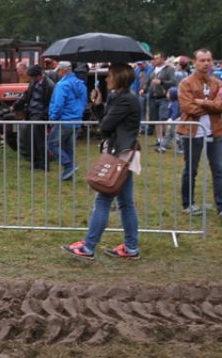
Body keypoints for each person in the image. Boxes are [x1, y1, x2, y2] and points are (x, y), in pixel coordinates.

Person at [62, 63, 141, 260]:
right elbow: (106, 122)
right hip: (124, 153)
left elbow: (105, 126)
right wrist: (98, 104)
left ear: (119, 78)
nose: (106, 79)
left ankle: (88, 247)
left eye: (110, 76)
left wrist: (102, 108)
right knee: (125, 203)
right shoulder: (122, 98)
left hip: (120, 154)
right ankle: (131, 248)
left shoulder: (125, 100)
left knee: (103, 200)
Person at [177, 49, 222, 221]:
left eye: (209, 60)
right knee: (191, 169)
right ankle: (188, 204)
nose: (206, 63)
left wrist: (204, 102)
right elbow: (188, 108)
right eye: (202, 60)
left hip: (215, 131)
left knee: (219, 169)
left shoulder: (217, 83)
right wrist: (214, 105)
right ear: (194, 63)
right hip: (192, 132)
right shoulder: (186, 84)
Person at [48, 60, 88, 181]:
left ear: (64, 70)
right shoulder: (81, 84)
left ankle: (69, 165)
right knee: (67, 147)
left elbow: (58, 104)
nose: (58, 73)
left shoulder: (62, 85)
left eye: (59, 71)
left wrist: (53, 117)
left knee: (52, 144)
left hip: (64, 120)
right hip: (76, 120)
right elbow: (84, 102)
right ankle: (69, 173)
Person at [12, 64, 54, 169]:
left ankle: (44, 164)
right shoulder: (33, 83)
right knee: (31, 139)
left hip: (40, 115)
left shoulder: (49, 85)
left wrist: (44, 115)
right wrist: (16, 106)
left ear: (39, 75)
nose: (31, 78)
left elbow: (51, 102)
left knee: (39, 141)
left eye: (33, 76)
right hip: (32, 113)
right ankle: (35, 162)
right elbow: (26, 95)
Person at [147, 53, 177, 147]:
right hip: (153, 97)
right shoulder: (153, 70)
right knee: (155, 119)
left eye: (157, 58)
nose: (154, 60)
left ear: (163, 59)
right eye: (154, 58)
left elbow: (173, 82)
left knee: (163, 118)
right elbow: (149, 82)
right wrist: (143, 89)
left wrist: (162, 82)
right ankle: (159, 139)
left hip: (163, 97)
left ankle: (166, 139)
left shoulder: (169, 69)